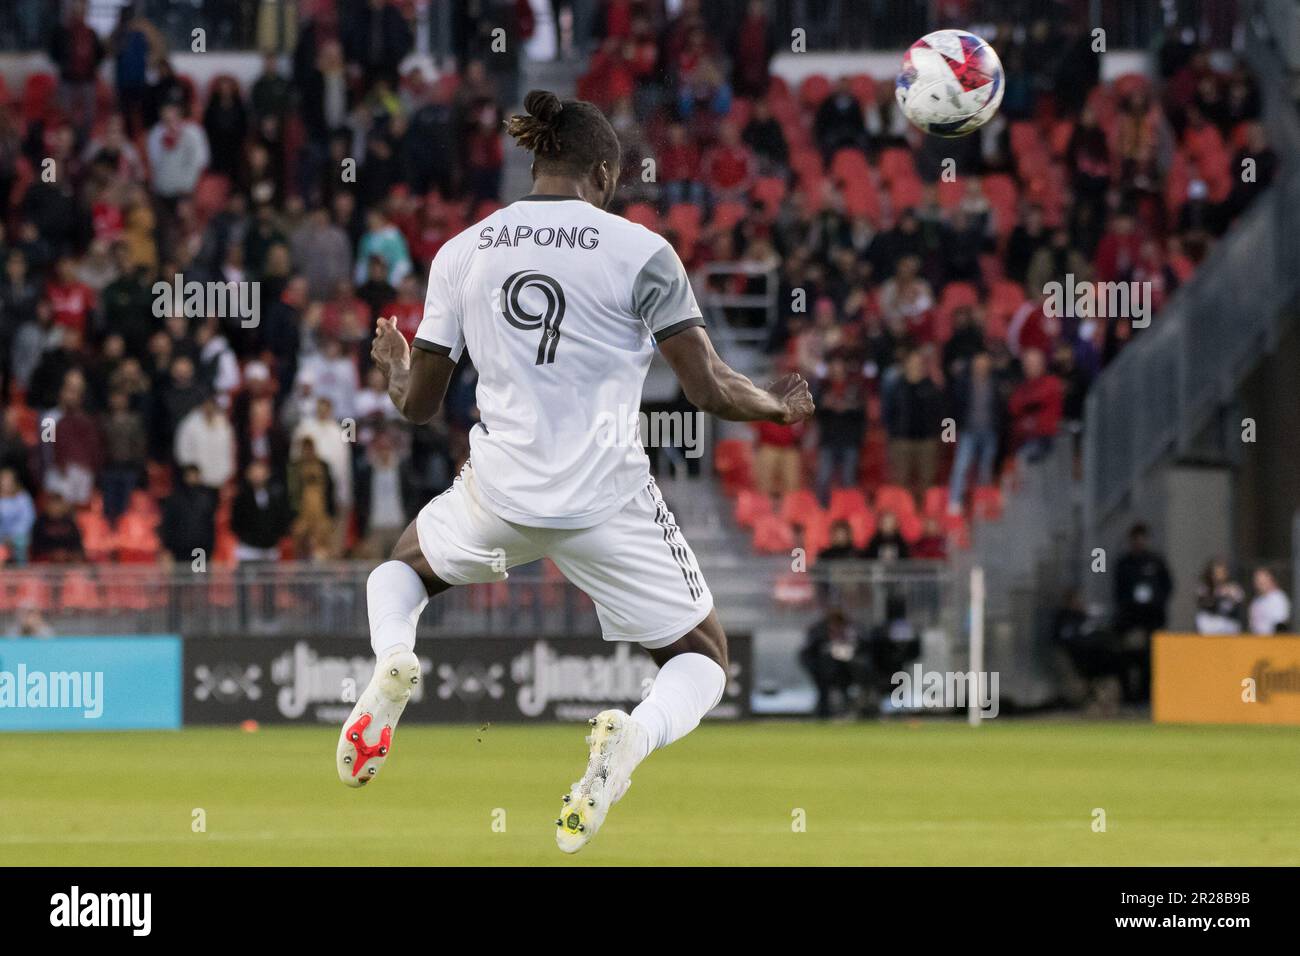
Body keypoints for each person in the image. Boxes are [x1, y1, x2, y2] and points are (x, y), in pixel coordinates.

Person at [338, 90, 814, 855]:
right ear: (601, 170)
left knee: (397, 574)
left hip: (500, 492)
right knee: (702, 659)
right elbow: (709, 389)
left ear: (536, 163)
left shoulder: (464, 250)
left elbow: (420, 407)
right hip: (606, 500)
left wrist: (395, 367)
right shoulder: (641, 251)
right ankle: (629, 740)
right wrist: (777, 410)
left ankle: (396, 660)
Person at [1113, 523, 1173, 703]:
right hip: (1131, 620)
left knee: (1151, 660)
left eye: (1141, 539)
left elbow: (1167, 587)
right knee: (1126, 657)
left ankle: (1146, 696)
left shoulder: (1156, 561)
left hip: (1152, 619)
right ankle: (1128, 696)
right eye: (1135, 539)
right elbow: (1118, 592)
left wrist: (1156, 602)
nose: (1138, 542)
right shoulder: (1124, 564)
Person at [799, 607, 870, 719]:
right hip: (821, 669)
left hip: (845, 669)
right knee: (824, 690)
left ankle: (854, 709)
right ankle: (823, 713)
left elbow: (863, 648)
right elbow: (807, 654)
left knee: (846, 686)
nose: (837, 627)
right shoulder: (818, 632)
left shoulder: (853, 631)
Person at [1194, 559, 1244, 634]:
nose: (1218, 576)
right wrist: (1215, 596)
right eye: (1216, 573)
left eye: (1221, 572)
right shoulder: (1205, 588)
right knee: (1201, 617)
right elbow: (1203, 603)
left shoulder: (1233, 588)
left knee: (1226, 623)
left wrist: (1228, 593)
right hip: (1211, 623)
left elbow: (1240, 600)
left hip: (1228, 623)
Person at [1248, 567, 1291, 635]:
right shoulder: (1256, 600)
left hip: (1271, 642)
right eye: (1257, 580)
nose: (1258, 583)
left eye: (1262, 580)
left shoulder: (1278, 598)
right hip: (1256, 641)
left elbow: (1280, 626)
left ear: (1271, 579)